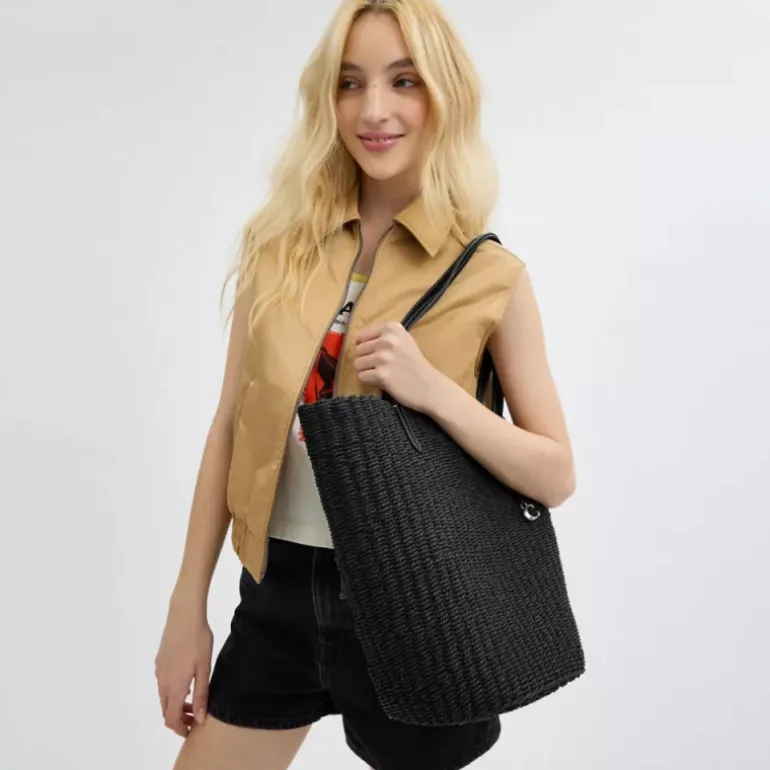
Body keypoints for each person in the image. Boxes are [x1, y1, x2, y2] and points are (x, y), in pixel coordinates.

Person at [154, 0, 576, 768]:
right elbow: (228, 427)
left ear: (443, 95)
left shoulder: (491, 277)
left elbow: (555, 473)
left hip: (420, 607)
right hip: (276, 596)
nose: (373, 110)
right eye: (351, 83)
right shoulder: (277, 252)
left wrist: (432, 390)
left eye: (403, 81)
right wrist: (188, 607)